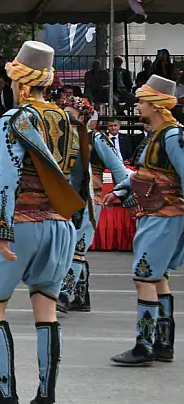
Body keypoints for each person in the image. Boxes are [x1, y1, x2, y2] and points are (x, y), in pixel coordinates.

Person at [0, 41, 88, 404]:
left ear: (22, 84)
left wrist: (2, 231)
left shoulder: (15, 119)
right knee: (46, 307)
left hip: (22, 222)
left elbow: (7, 179)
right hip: (60, 225)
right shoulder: (67, 120)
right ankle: (45, 395)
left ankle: (5, 394)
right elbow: (79, 175)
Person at [106, 74, 183, 365]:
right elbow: (145, 174)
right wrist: (121, 189)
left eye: (141, 100)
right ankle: (163, 344)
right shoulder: (158, 136)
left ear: (155, 104)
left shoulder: (173, 136)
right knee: (158, 277)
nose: (137, 105)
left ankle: (145, 345)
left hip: (164, 214)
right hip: (154, 214)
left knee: (144, 276)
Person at [57, 96, 130, 314]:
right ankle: (81, 297)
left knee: (78, 247)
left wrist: (123, 194)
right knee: (69, 247)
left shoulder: (95, 138)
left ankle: (62, 292)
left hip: (90, 199)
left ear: (83, 117)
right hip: (65, 198)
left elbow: (118, 168)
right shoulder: (59, 138)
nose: (66, 118)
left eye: (70, 114)